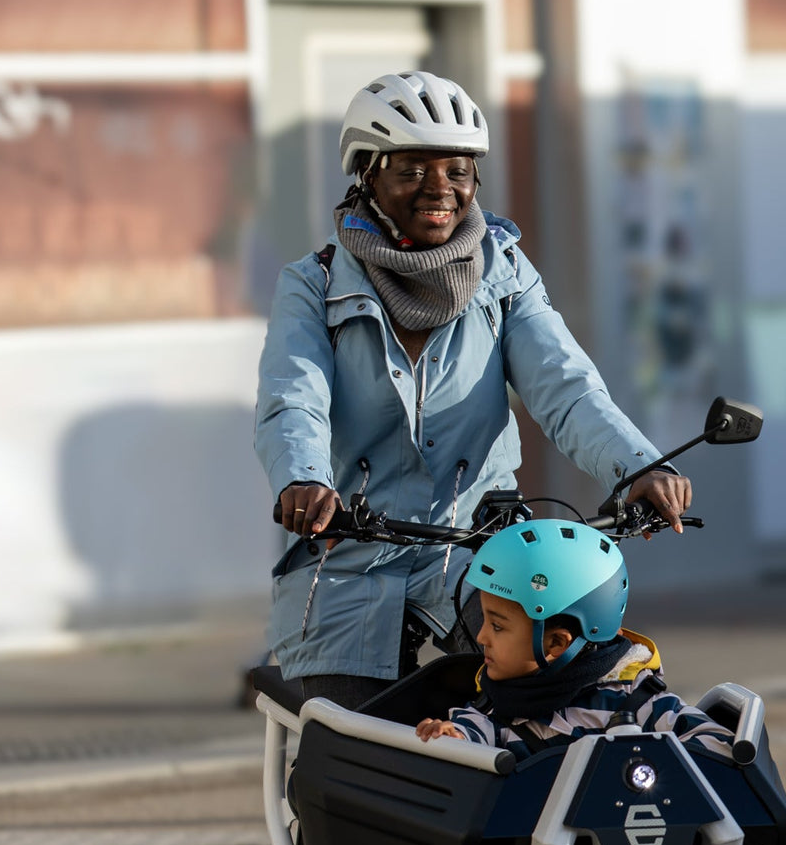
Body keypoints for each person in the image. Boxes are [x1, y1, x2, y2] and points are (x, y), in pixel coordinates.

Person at [255, 71, 692, 709]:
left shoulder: (505, 273)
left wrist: (639, 467)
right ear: (368, 175)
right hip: (345, 551)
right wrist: (304, 481)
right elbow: (293, 398)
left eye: (457, 171)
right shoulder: (312, 285)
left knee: (556, 692)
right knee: (344, 755)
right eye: (411, 171)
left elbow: (566, 390)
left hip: (474, 549)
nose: (440, 191)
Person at [413, 519, 732, 760]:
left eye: (497, 626)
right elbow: (470, 735)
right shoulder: (494, 708)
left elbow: (720, 747)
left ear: (557, 644)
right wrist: (452, 739)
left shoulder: (637, 703)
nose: (481, 636)